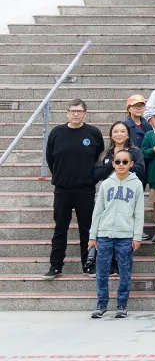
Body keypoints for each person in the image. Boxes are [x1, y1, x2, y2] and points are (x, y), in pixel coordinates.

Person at [45, 99, 105, 280]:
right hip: (63, 189)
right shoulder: (57, 133)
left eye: (79, 111)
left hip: (85, 190)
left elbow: (99, 157)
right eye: (72, 111)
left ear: (85, 113)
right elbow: (50, 159)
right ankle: (55, 266)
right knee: (60, 229)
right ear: (67, 113)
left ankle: (88, 265)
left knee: (87, 229)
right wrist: (60, 176)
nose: (76, 114)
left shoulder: (93, 133)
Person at [87, 148, 144, 319]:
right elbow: (97, 211)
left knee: (125, 271)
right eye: (117, 162)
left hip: (125, 235)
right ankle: (101, 304)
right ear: (113, 163)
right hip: (104, 234)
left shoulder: (137, 184)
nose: (121, 165)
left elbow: (139, 213)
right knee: (102, 271)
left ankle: (122, 304)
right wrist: (92, 235)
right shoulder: (106, 184)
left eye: (125, 162)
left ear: (131, 164)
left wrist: (137, 236)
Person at [95, 121, 147, 188]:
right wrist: (112, 163)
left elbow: (141, 172)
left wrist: (123, 163)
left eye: (122, 131)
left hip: (130, 190)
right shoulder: (105, 153)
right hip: (110, 190)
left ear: (128, 135)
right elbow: (96, 174)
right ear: (111, 136)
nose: (119, 134)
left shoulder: (136, 151)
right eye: (115, 132)